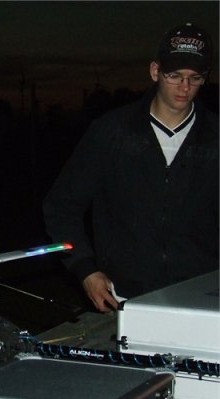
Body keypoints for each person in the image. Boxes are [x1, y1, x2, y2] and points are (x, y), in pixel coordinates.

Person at [43, 23, 218, 313]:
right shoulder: (111, 132)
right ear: (155, 71)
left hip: (201, 298)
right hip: (125, 297)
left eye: (195, 77)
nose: (185, 87)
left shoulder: (216, 136)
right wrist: (85, 269)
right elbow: (61, 207)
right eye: (174, 75)